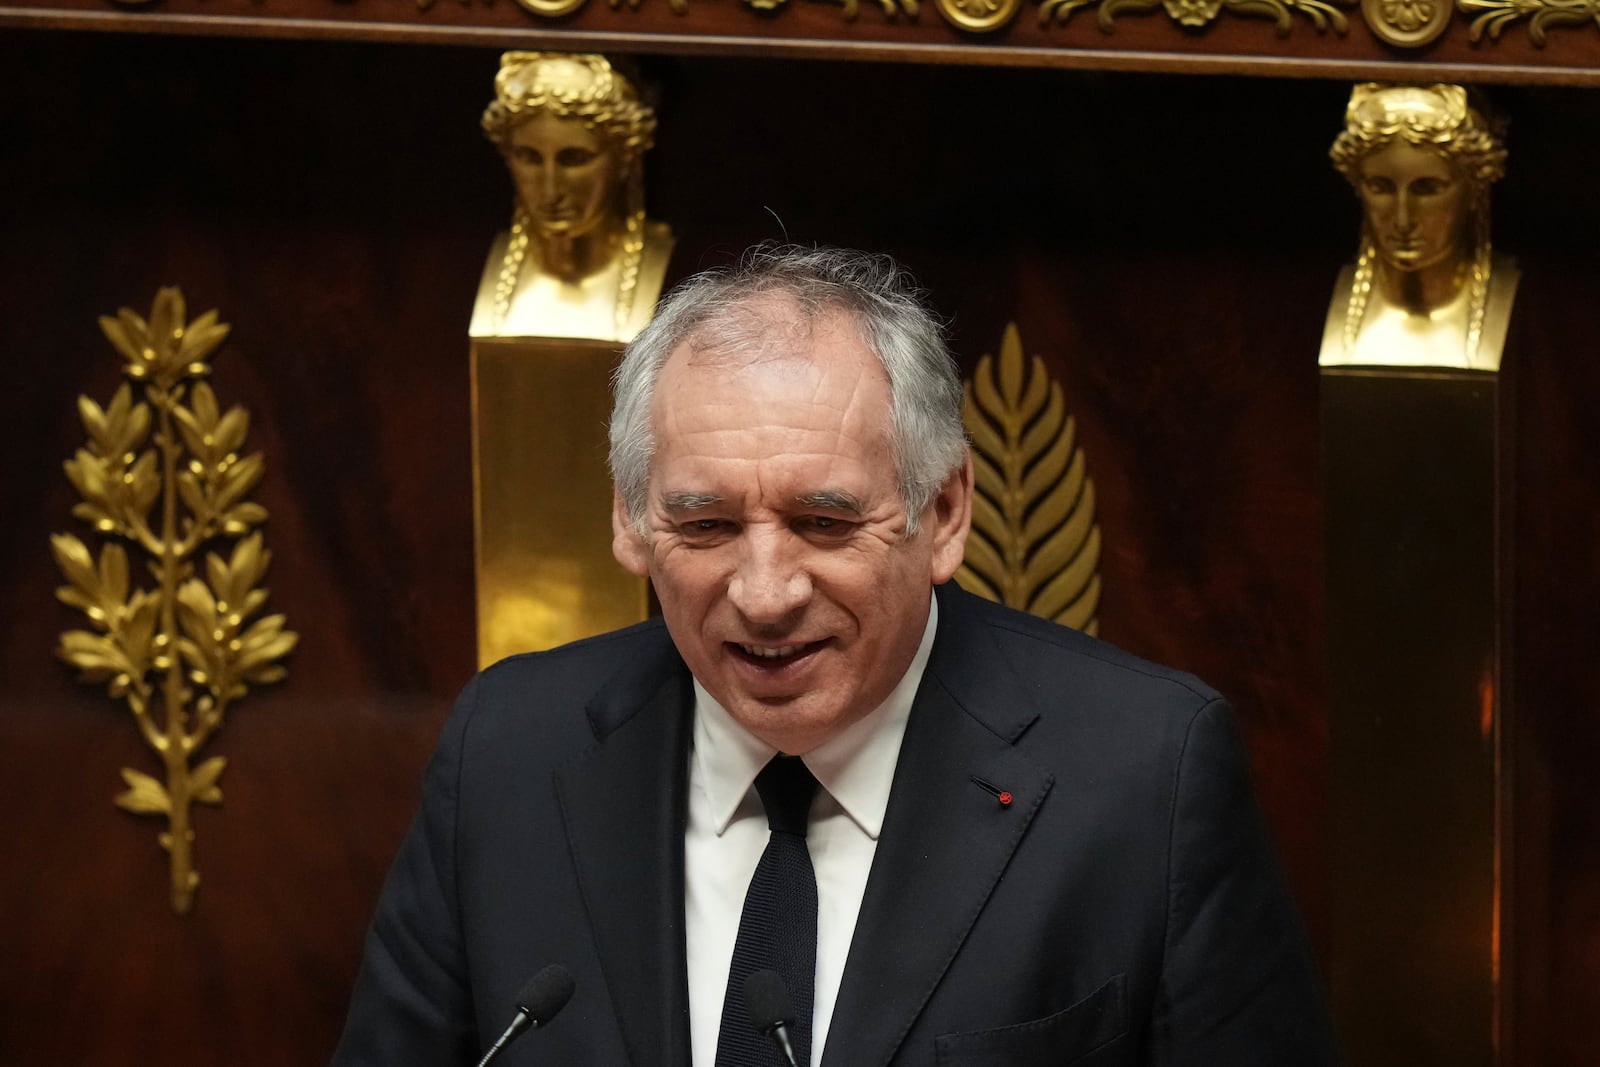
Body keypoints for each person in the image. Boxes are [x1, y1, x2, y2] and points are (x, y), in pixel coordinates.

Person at [336, 246, 1335, 1065]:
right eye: (706, 523)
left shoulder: (1145, 776)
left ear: (944, 512)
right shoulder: (510, 748)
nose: (764, 590)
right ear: (631, 524)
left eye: (821, 520)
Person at [470, 51, 673, 343]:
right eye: (529, 157)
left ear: (625, 157)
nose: (551, 190)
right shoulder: (481, 267)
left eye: (575, 159)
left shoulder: (661, 260)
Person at [1321, 82, 1517, 371]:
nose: (1403, 219)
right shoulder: (1314, 305)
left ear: (1475, 189)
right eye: (1380, 187)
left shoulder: (1527, 306)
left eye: (1427, 189)